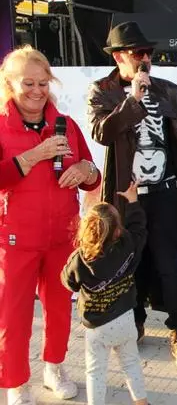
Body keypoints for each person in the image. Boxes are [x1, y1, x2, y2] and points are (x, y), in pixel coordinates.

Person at [87, 21, 177, 369]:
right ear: (119, 56)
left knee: (173, 264)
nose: (146, 58)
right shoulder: (103, 91)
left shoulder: (169, 91)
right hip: (127, 196)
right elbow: (102, 133)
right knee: (129, 262)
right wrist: (133, 99)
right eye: (138, 53)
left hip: (166, 193)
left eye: (149, 52)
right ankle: (132, 322)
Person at [0, 46, 100, 404]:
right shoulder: (1, 127)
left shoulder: (66, 125)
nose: (37, 90)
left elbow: (92, 174)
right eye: (28, 83)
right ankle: (15, 384)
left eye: (43, 82)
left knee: (59, 309)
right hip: (15, 239)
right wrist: (32, 156)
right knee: (14, 317)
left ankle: (54, 368)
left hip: (62, 236)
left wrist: (85, 171)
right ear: (10, 84)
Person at [61, 182, 148, 405]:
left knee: (95, 370)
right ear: (118, 231)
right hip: (126, 320)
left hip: (97, 325)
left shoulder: (79, 259)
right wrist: (133, 200)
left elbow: (68, 283)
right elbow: (139, 228)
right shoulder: (128, 244)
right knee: (131, 363)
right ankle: (141, 401)